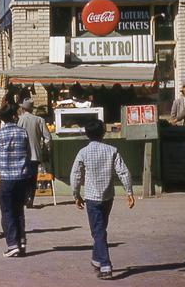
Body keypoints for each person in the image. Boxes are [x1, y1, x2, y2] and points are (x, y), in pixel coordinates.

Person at [70, 118, 135, 280]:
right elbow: (123, 172)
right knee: (100, 229)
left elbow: (75, 175)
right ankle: (96, 260)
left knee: (97, 231)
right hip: (107, 196)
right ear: (103, 133)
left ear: (86, 134)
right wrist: (129, 192)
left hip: (91, 197)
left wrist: (76, 194)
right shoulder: (112, 150)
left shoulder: (83, 152)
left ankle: (105, 264)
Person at [0, 104, 31, 257]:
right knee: (19, 210)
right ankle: (21, 242)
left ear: (1, 119)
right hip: (21, 177)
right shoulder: (23, 133)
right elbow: (28, 154)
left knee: (7, 211)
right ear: (14, 116)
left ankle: (12, 244)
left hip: (7, 178)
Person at [16, 98, 52, 208]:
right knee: (33, 177)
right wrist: (46, 149)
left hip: (22, 153)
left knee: (23, 177)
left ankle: (24, 197)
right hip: (35, 153)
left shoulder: (20, 120)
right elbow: (48, 137)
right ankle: (30, 198)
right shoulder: (39, 120)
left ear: (23, 108)